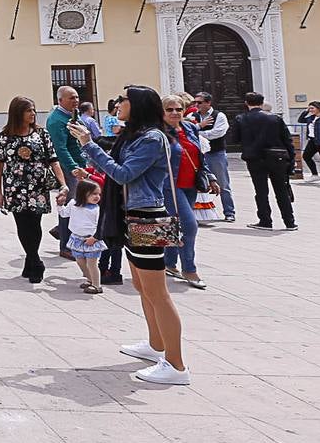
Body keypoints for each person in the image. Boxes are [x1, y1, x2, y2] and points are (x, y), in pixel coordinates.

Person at [69, 86, 190, 386]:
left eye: (123, 100)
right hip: (131, 215)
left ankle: (176, 365)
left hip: (146, 217)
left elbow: (123, 174)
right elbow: (113, 166)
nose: (118, 104)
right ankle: (155, 344)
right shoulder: (134, 135)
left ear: (137, 105)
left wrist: (89, 144)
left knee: (158, 292)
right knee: (141, 285)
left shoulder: (152, 138)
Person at [0, 96, 69, 284]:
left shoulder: (41, 134)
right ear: (18, 113)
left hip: (37, 187)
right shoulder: (4, 137)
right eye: (29, 111)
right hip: (15, 188)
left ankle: (32, 260)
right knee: (22, 225)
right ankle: (35, 261)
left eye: (34, 110)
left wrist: (63, 184)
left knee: (35, 224)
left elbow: (53, 160)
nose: (33, 114)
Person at [161, 94, 216, 290]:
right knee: (189, 225)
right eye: (170, 109)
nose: (175, 113)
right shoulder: (158, 133)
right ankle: (189, 269)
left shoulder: (190, 127)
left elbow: (199, 156)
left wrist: (210, 177)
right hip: (170, 185)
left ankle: (168, 263)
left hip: (191, 183)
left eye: (178, 109)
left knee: (175, 224)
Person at [229, 91, 297, 230]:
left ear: (246, 103)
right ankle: (290, 222)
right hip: (277, 158)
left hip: (254, 159)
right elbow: (287, 140)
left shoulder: (241, 118)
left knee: (261, 191)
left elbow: (234, 139)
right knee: (282, 190)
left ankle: (265, 220)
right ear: (262, 102)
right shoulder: (275, 118)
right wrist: (291, 159)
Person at [46, 86, 87, 258]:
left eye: (77, 97)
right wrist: (73, 168)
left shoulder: (72, 115)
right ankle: (65, 245)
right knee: (70, 206)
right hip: (69, 168)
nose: (75, 100)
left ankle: (61, 231)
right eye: (71, 98)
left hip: (80, 164)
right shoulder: (57, 120)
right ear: (60, 100)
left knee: (81, 204)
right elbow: (60, 149)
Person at [194, 93, 237, 222]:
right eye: (195, 102)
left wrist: (198, 132)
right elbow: (185, 130)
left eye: (199, 102)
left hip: (215, 153)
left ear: (208, 103)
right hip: (197, 154)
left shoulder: (219, 116)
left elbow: (218, 133)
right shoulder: (192, 116)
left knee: (223, 183)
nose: (196, 105)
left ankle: (229, 212)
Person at [63, 179, 106, 294]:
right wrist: (59, 205)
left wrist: (95, 237)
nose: (97, 197)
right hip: (76, 238)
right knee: (80, 261)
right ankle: (90, 279)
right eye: (94, 194)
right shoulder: (73, 203)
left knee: (92, 263)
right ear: (83, 193)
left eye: (99, 194)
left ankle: (97, 285)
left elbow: (102, 225)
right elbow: (64, 213)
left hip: (91, 239)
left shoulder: (97, 209)